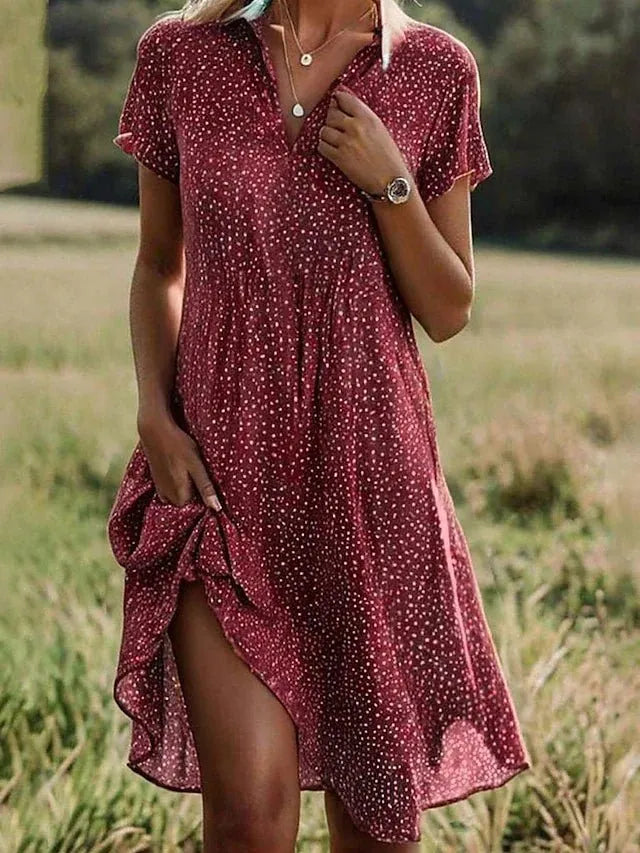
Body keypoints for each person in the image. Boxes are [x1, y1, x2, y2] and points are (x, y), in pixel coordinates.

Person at [107, 0, 531, 849]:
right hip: (220, 480)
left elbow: (448, 307)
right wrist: (154, 412)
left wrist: (390, 181)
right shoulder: (180, 56)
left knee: (377, 825)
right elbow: (160, 262)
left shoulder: (435, 69)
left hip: (370, 487)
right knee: (249, 814)